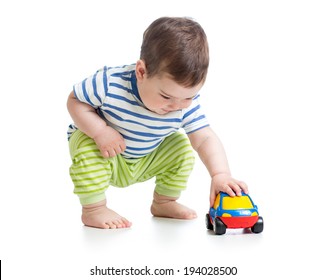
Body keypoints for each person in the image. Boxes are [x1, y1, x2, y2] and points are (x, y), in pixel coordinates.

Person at [67, 17, 248, 229]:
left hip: (146, 159)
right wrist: (100, 131)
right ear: (141, 72)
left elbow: (205, 137)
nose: (177, 106)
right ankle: (94, 209)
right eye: (166, 96)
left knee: (181, 148)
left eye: (188, 97)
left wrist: (220, 174)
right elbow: (75, 101)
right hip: (106, 154)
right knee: (85, 145)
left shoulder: (184, 105)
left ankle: (164, 202)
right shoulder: (110, 83)